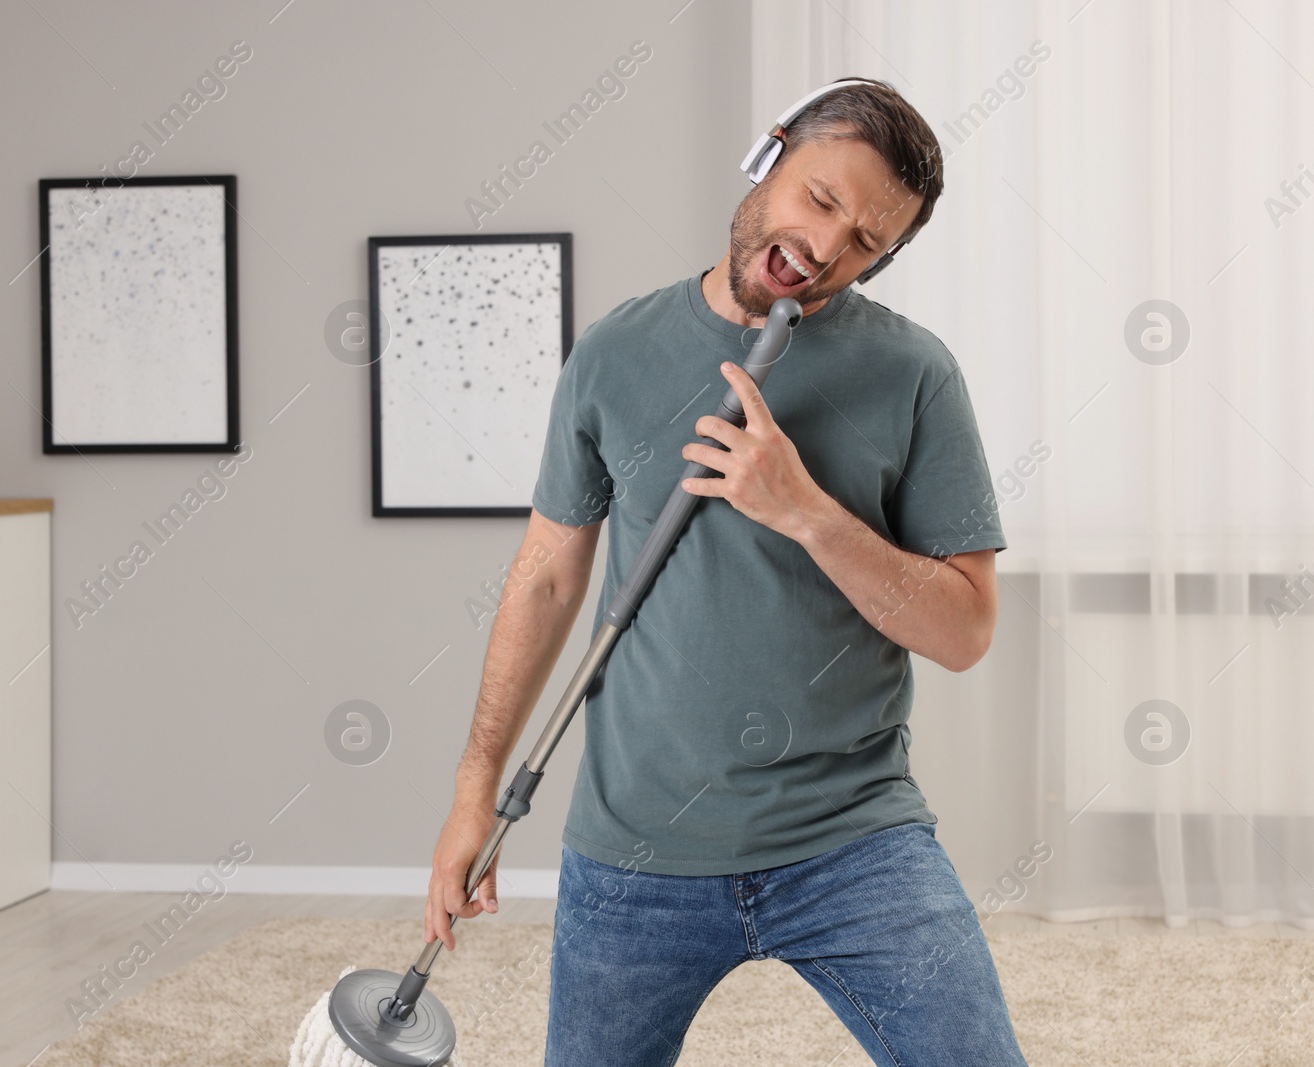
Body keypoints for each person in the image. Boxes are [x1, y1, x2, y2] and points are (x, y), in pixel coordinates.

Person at [424, 76, 1028, 1066]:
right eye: (822, 199)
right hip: (636, 847)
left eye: (867, 241)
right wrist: (471, 790)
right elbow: (543, 579)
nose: (827, 248)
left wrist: (804, 511)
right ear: (768, 154)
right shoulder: (615, 352)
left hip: (853, 835)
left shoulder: (915, 374)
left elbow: (963, 630)